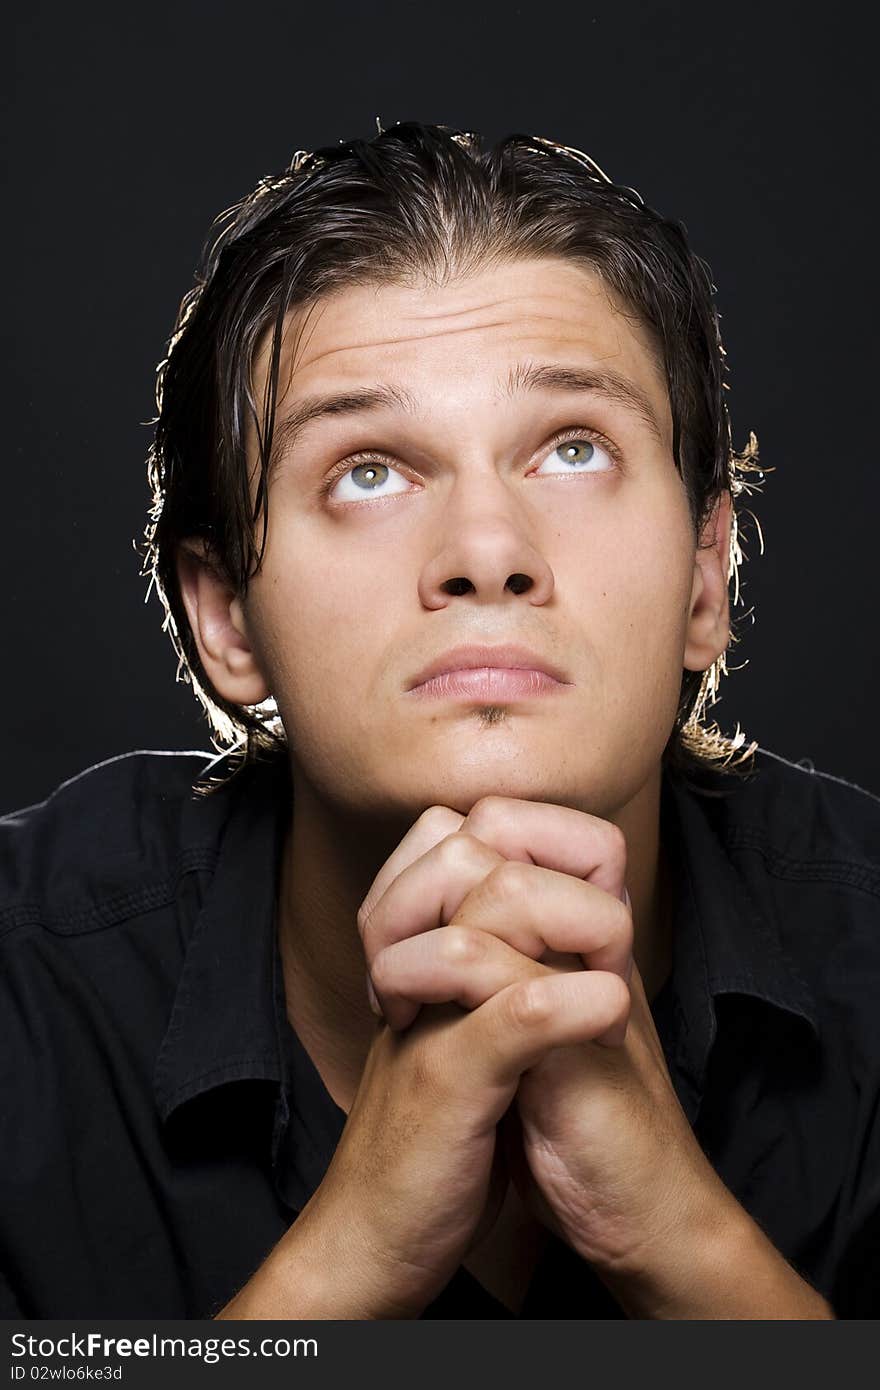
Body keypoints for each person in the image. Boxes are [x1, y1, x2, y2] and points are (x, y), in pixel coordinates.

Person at [2, 121, 878, 1320]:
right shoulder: (24, 992)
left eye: (571, 449)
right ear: (226, 618)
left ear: (704, 575)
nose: (486, 553)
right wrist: (354, 1250)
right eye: (368, 470)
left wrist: (681, 1237)